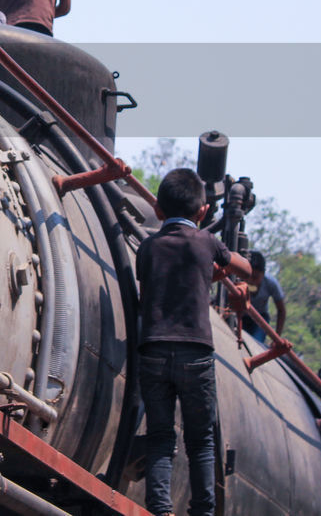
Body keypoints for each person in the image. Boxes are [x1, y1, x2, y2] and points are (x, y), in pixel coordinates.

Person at [136, 168, 260, 516]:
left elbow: (147, 296)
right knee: (201, 440)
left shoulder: (147, 248)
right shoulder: (207, 242)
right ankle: (202, 511)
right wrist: (218, 270)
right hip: (196, 353)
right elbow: (247, 271)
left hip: (154, 349)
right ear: (203, 212)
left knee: (161, 437)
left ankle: (160, 509)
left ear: (158, 210)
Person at [245, 267, 286, 343]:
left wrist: (276, 339)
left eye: (255, 277)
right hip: (240, 315)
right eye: (249, 276)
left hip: (260, 319)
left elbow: (281, 310)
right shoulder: (239, 277)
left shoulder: (271, 283)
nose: (251, 281)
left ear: (263, 274)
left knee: (256, 343)